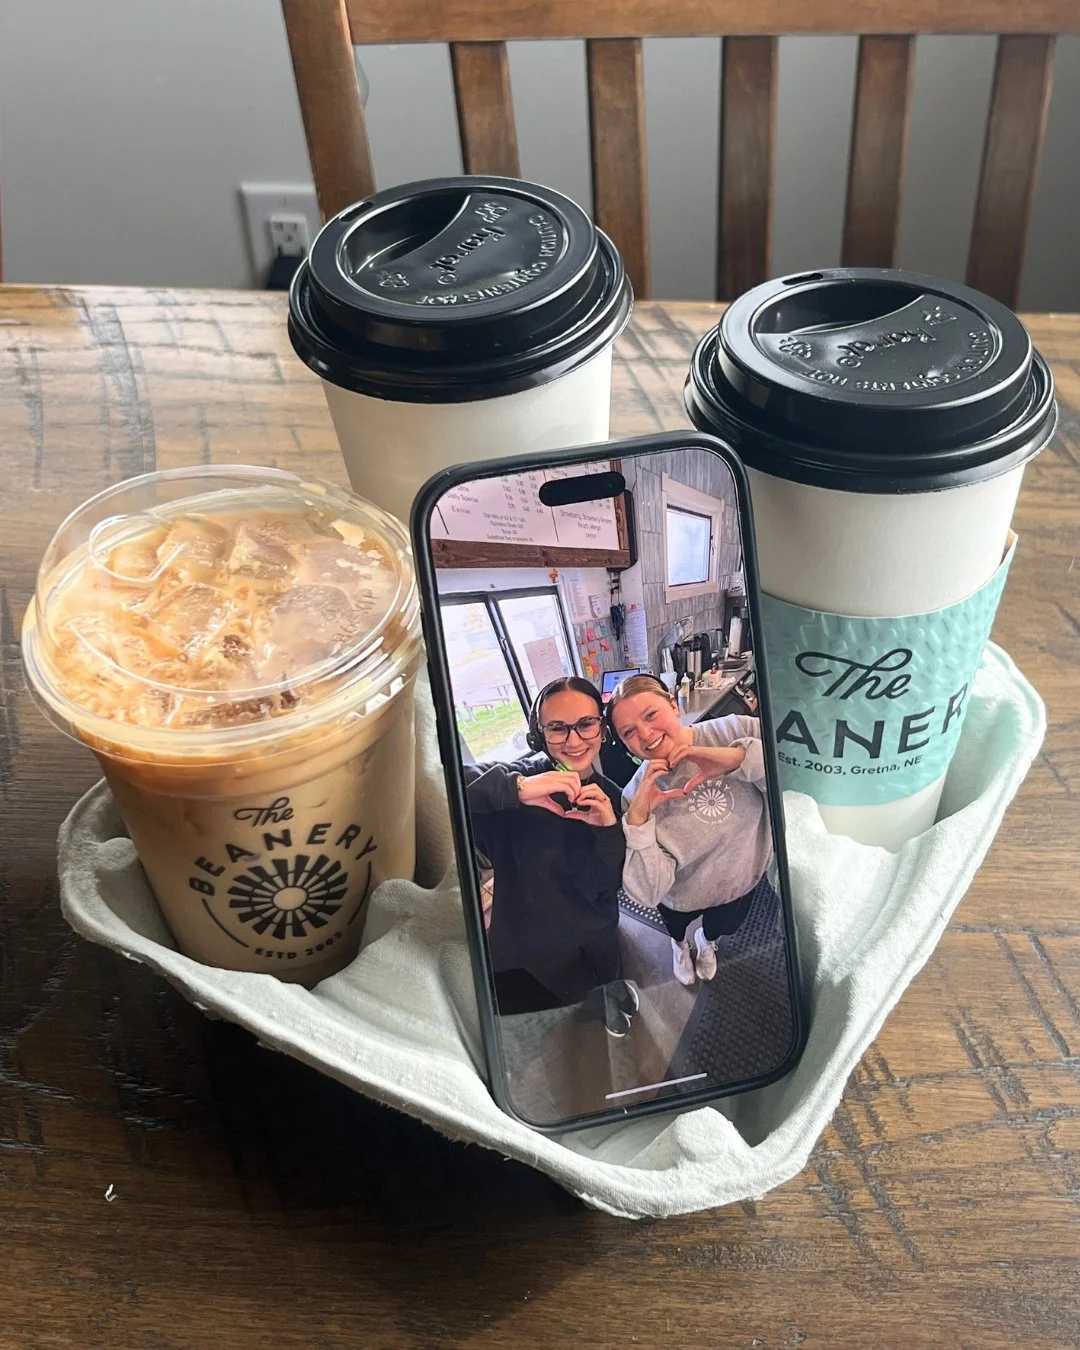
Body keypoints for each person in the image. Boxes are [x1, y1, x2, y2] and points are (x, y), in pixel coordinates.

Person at [462, 677, 638, 1037]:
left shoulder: (614, 799)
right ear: (539, 734)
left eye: (586, 724)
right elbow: (446, 784)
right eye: (557, 728)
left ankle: (611, 998)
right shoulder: (519, 784)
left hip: (598, 932)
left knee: (607, 977)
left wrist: (606, 829)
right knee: (567, 1008)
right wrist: (517, 789)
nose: (574, 741)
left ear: (602, 729)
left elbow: (607, 883)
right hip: (533, 946)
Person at [606, 673, 774, 988]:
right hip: (680, 895)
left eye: (651, 715)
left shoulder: (737, 730)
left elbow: (796, 784)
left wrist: (737, 759)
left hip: (739, 879)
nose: (645, 733)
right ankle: (680, 946)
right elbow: (648, 889)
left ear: (674, 705)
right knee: (676, 926)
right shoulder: (635, 794)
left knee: (721, 926)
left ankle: (707, 943)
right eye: (629, 731)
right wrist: (639, 819)